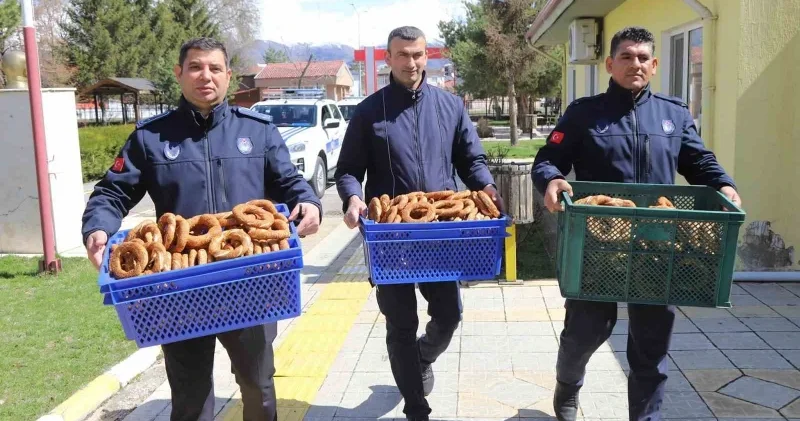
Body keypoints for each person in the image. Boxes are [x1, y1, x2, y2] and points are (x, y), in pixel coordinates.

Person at [81, 37, 321, 421]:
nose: (204, 76)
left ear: (228, 76)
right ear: (180, 74)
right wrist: (97, 228)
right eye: (195, 67)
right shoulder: (150, 138)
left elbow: (291, 182)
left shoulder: (257, 131)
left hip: (251, 281)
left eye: (214, 68)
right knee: (190, 398)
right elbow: (111, 192)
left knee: (258, 387)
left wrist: (310, 203)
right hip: (178, 287)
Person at [532, 27, 742, 421]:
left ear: (655, 65)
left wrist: (724, 185)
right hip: (597, 246)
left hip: (656, 247)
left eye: (643, 58)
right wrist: (552, 180)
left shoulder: (673, 113)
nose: (636, 64)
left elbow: (698, 162)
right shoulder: (584, 112)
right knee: (584, 334)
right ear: (610, 63)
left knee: (651, 346)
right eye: (626, 57)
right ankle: (568, 384)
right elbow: (548, 159)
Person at [334, 26, 504, 421]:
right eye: (402, 55)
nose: (411, 62)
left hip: (439, 232)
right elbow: (347, 171)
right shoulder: (369, 111)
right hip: (389, 236)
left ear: (427, 57)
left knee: (448, 316)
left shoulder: (450, 107)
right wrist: (353, 198)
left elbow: (471, 160)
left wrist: (487, 186)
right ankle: (416, 407)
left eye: (418, 54)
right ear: (388, 59)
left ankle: (422, 357)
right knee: (401, 323)